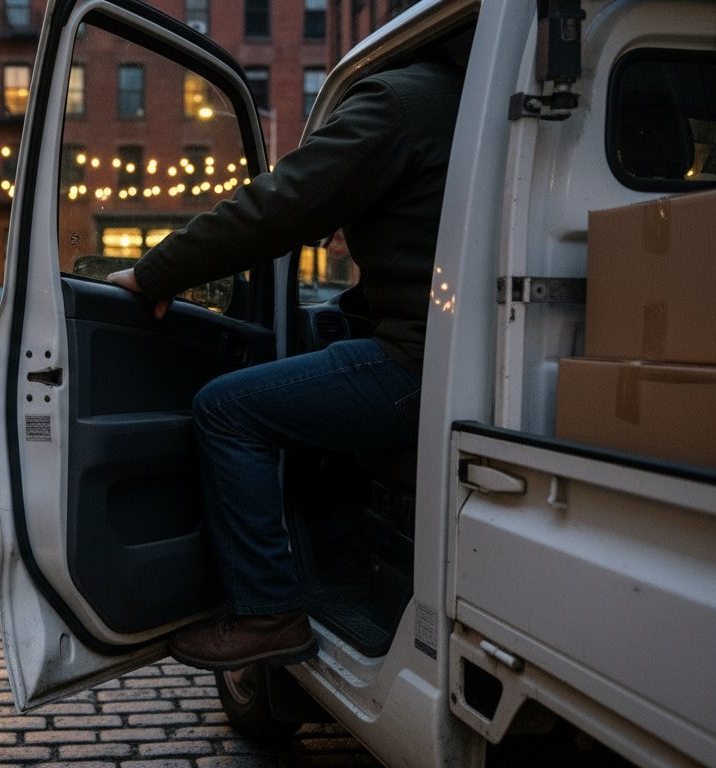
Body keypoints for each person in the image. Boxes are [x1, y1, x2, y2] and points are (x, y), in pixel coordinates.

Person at [106, 51, 465, 671]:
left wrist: (154, 274)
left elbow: (279, 205)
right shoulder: (474, 100)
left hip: (419, 364)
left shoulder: (395, 101)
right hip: (459, 360)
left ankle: (270, 612)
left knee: (226, 407)